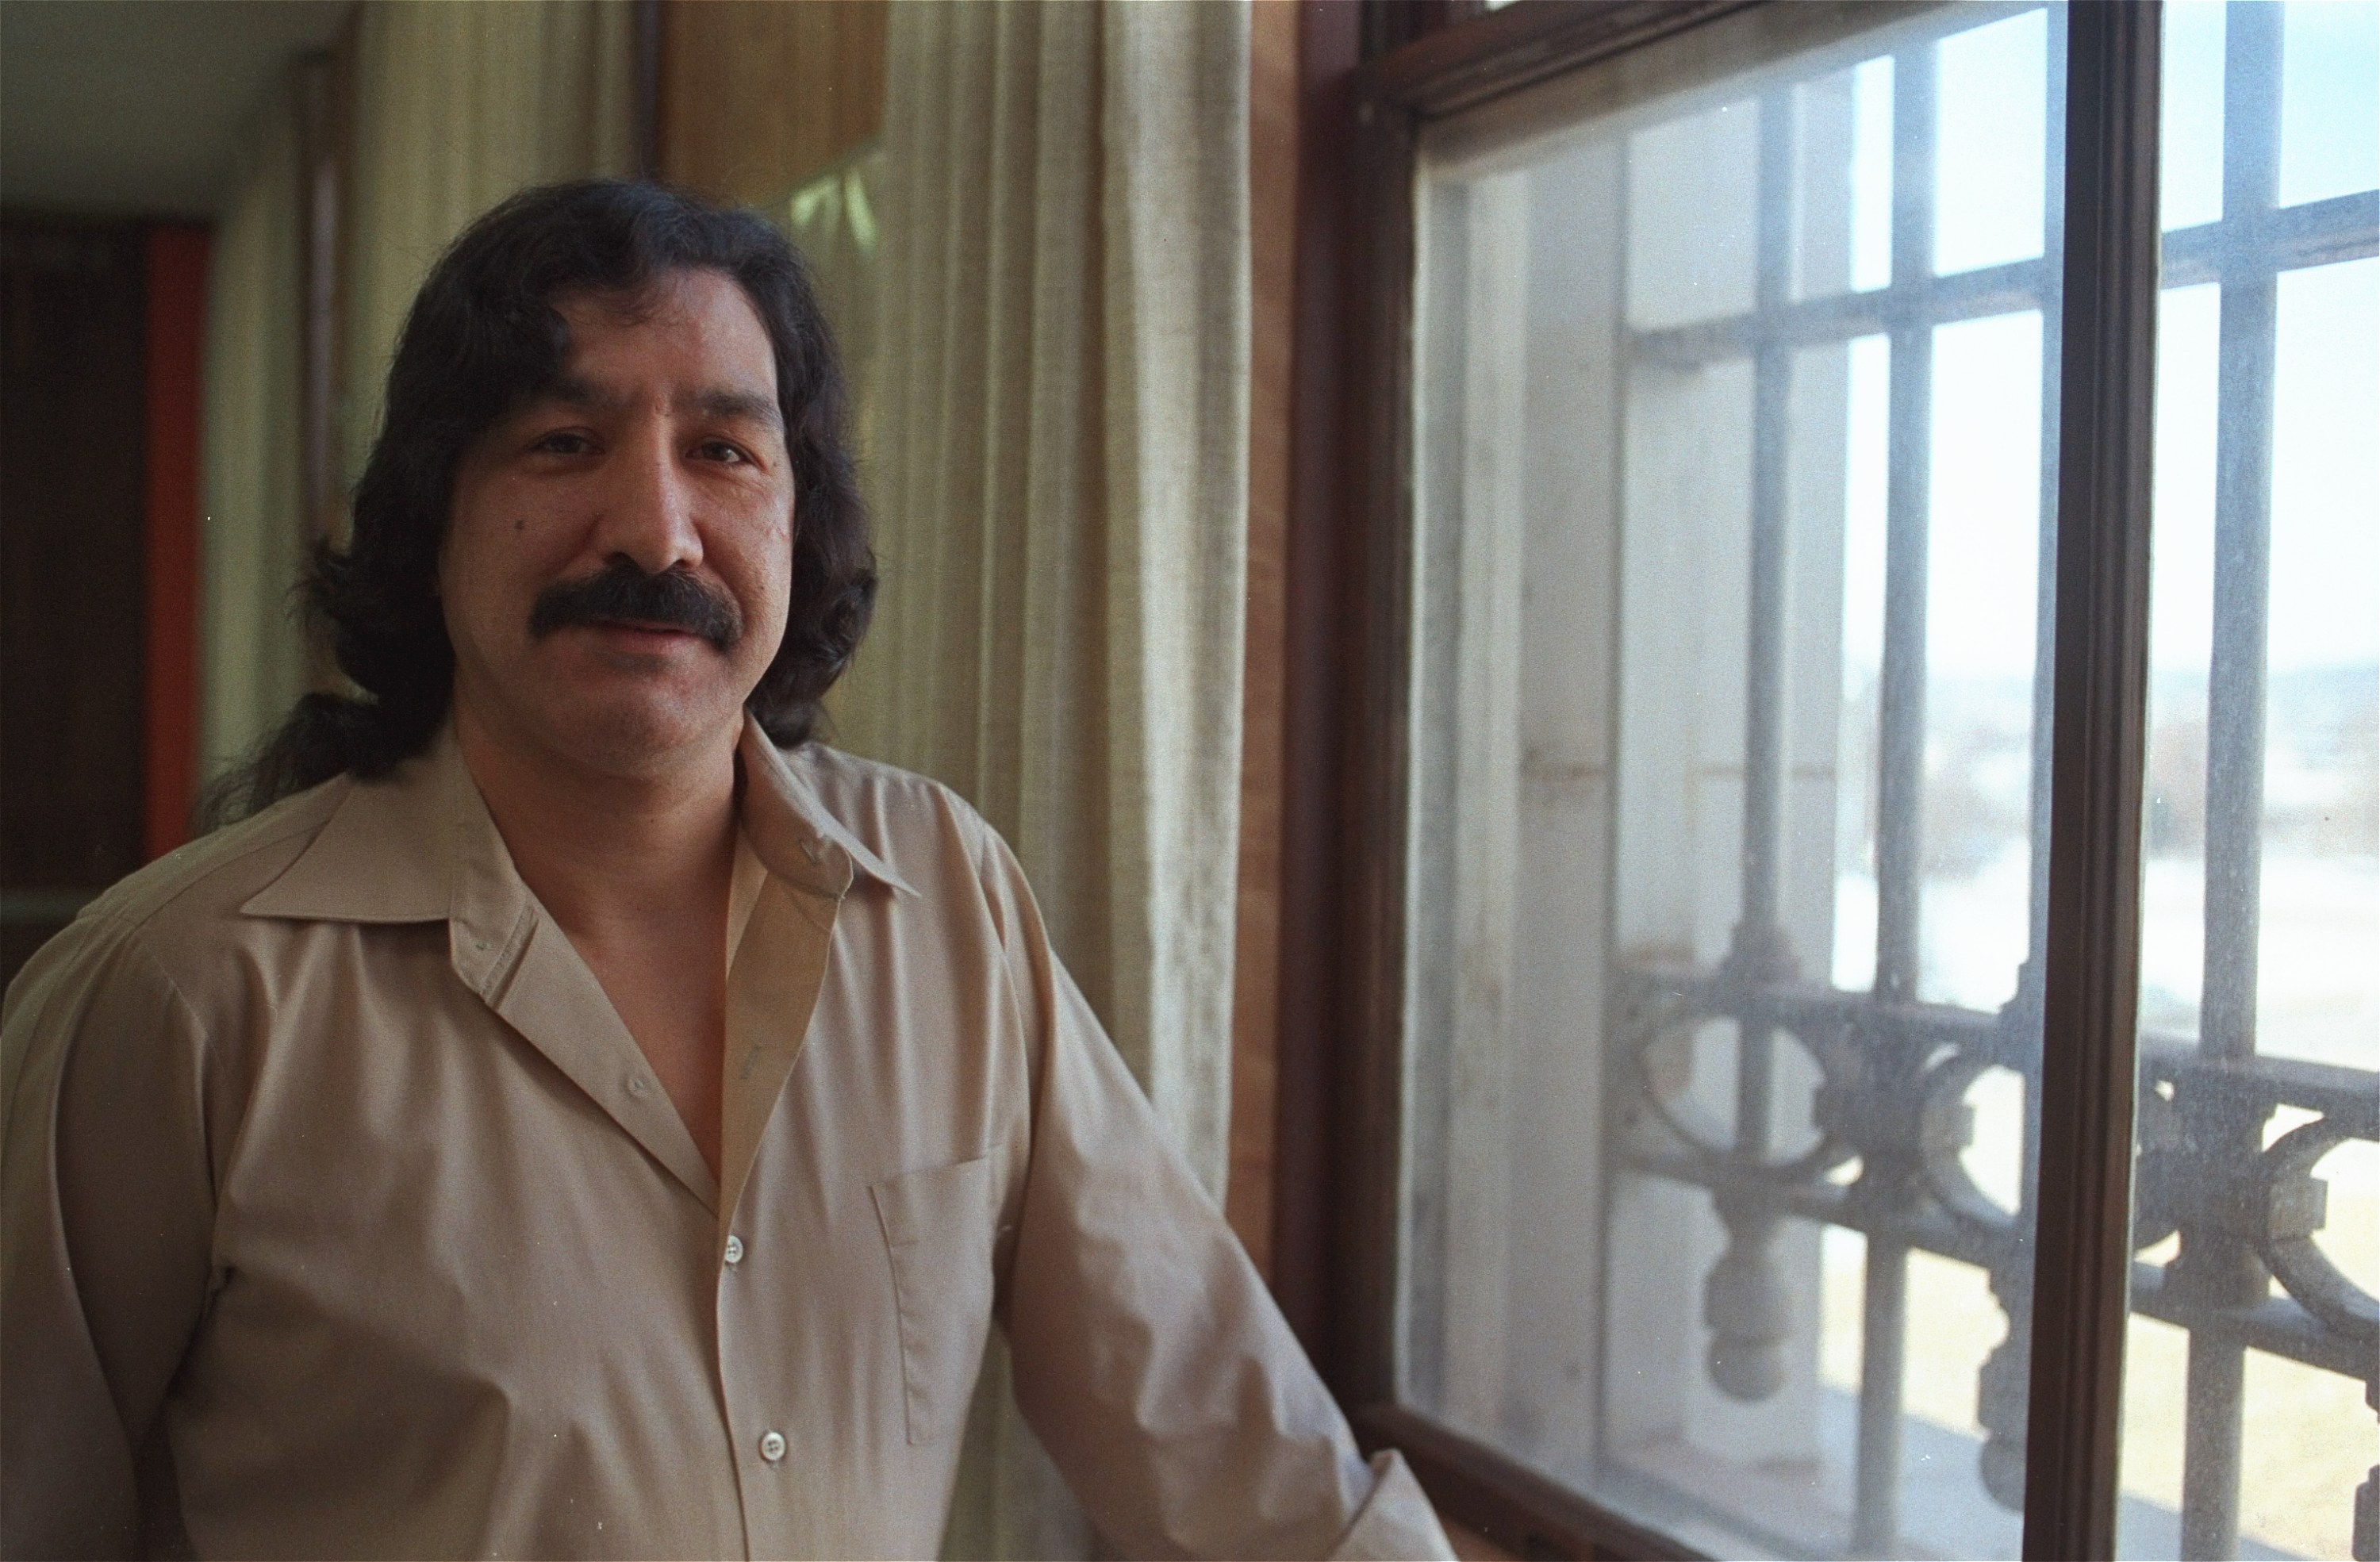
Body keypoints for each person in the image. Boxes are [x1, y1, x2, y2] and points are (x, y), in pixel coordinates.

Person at [0, 180, 1452, 1561]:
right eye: (561, 443)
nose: (653, 528)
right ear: (429, 526)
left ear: (795, 520)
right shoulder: (179, 991)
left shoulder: (944, 900)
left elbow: (1223, 1437)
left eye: (725, 450)